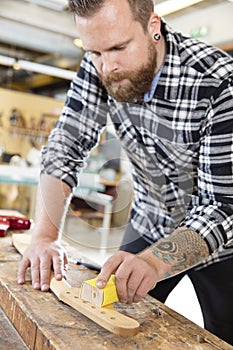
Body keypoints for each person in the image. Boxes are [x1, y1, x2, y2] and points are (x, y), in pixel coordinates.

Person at [17, 0, 233, 344]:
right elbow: (65, 147)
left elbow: (222, 206)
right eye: (96, 52)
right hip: (150, 221)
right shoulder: (100, 64)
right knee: (116, 329)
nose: (109, 66)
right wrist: (44, 237)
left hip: (224, 246)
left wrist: (154, 263)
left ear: (153, 26)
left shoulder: (219, 82)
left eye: (119, 47)